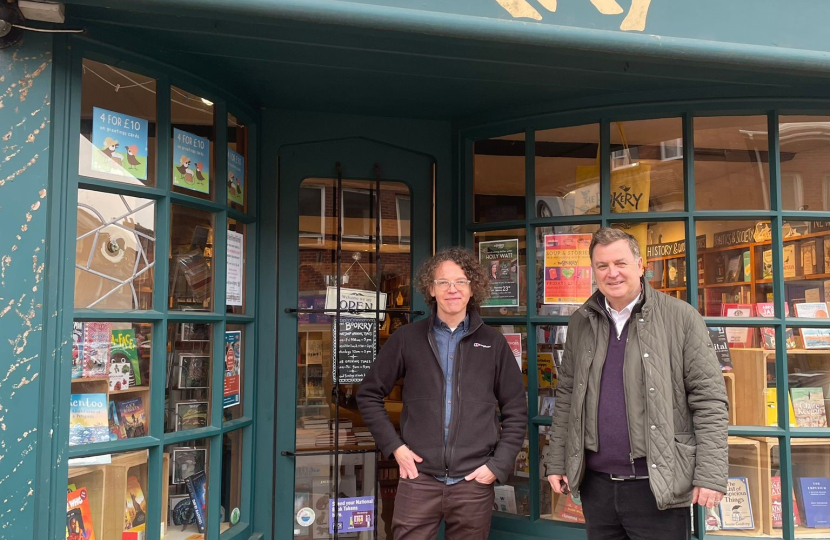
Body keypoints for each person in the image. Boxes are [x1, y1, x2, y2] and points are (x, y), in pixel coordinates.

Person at [544, 228, 728, 540]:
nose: (612, 273)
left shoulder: (681, 317)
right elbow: (567, 399)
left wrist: (710, 475)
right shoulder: (582, 321)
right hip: (597, 487)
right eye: (602, 266)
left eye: (621, 263)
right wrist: (557, 461)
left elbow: (709, 400)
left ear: (640, 265)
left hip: (657, 486)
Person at [357, 247, 527, 540]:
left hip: (473, 482)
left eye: (461, 281)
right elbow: (369, 394)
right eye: (443, 282)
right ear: (431, 289)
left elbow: (516, 409)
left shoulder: (493, 343)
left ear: (473, 289)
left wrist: (497, 466)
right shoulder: (406, 339)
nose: (452, 289)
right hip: (418, 478)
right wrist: (395, 447)